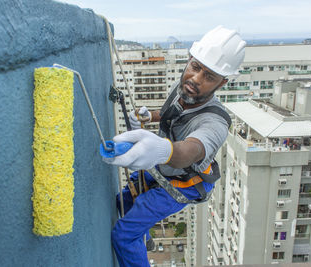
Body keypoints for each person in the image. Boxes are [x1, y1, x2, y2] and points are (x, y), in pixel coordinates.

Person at [103, 25, 246, 267]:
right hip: (164, 168)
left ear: (221, 83)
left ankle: (135, 239)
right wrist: (152, 117)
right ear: (190, 60)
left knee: (124, 235)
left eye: (209, 76)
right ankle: (143, 238)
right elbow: (172, 114)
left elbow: (191, 151)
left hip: (185, 182)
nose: (195, 79)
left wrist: (163, 150)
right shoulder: (184, 89)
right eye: (195, 67)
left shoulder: (215, 122)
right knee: (123, 202)